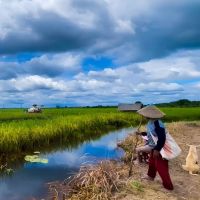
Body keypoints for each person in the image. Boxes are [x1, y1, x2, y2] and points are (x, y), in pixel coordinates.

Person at [136, 105, 174, 190]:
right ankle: (150, 176)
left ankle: (168, 186)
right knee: (152, 163)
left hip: (159, 148)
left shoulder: (157, 123)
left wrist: (157, 149)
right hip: (154, 147)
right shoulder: (151, 122)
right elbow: (151, 134)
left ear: (150, 115)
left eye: (145, 115)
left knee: (161, 167)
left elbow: (162, 138)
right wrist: (141, 133)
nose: (144, 116)